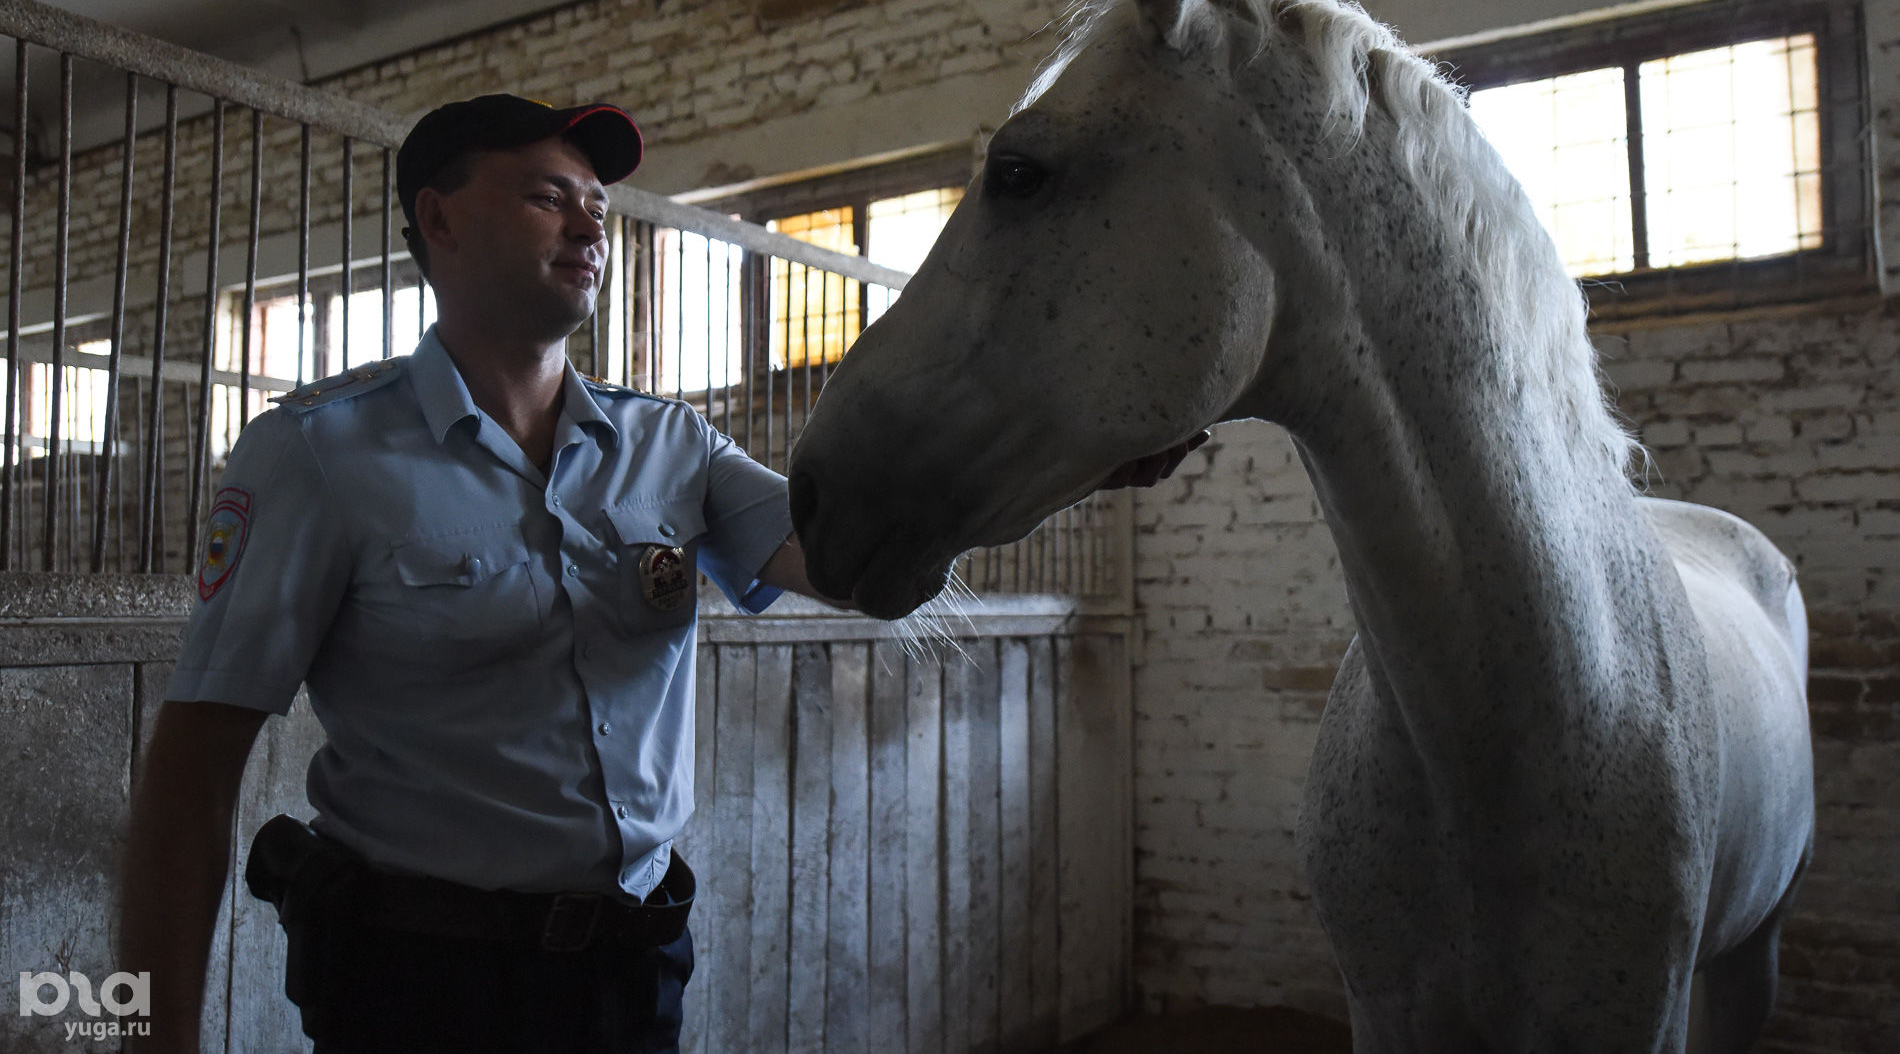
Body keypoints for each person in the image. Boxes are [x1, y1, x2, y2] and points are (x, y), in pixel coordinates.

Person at [117, 94, 1204, 1054]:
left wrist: (1072, 465)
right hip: (417, 979)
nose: (591, 224)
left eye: (598, 204)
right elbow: (192, 770)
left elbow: (857, 568)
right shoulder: (319, 454)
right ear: (438, 219)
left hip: (633, 971)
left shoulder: (671, 445)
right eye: (548, 196)